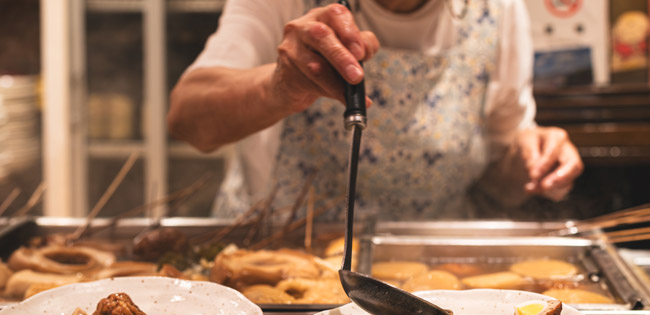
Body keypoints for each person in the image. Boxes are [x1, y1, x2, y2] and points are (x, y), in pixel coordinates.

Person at [167, 0, 584, 220]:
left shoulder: (498, 11)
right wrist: (279, 86)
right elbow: (187, 118)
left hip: (431, 270)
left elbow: (500, 184)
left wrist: (534, 162)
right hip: (284, 255)